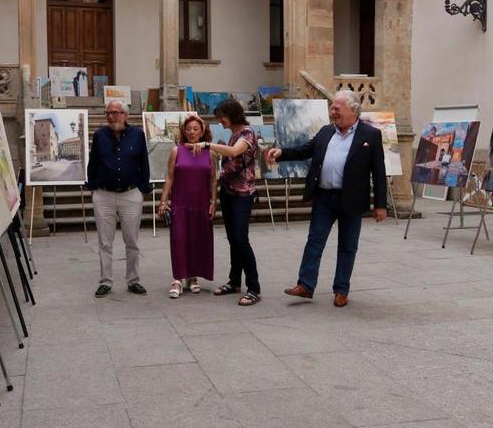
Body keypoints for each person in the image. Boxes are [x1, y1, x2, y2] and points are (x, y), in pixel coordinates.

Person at [266, 90, 387, 308]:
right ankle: (305, 285)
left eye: (337, 108)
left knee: (347, 246)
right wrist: (281, 152)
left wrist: (380, 205)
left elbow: (378, 172)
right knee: (315, 241)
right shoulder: (325, 132)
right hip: (324, 197)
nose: (333, 112)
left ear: (353, 110)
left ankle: (341, 289)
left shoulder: (370, 135)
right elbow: (305, 150)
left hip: (352, 199)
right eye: (332, 108)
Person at [187, 98, 261, 306]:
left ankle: (254, 287)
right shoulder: (233, 135)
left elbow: (235, 152)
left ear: (233, 114)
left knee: (240, 240)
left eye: (222, 116)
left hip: (242, 196)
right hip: (228, 193)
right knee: (233, 240)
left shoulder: (247, 133)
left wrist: (207, 145)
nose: (220, 121)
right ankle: (234, 281)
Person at [86, 100, 152, 298]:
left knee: (132, 240)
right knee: (105, 242)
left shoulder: (137, 135)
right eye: (108, 113)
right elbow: (93, 162)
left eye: (115, 113)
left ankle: (133, 280)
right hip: (104, 195)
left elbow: (144, 163)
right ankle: (105, 281)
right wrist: (94, 188)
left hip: (130, 194)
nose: (111, 117)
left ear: (126, 115)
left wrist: (141, 188)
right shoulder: (100, 136)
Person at [157, 116, 217, 298]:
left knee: (198, 240)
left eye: (195, 129)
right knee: (179, 240)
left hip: (201, 204)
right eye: (188, 129)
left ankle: (192, 277)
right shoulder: (177, 151)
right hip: (180, 204)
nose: (192, 132)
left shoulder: (211, 153)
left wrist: (213, 202)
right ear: (184, 131)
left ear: (202, 131)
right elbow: (169, 177)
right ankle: (178, 279)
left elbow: (213, 180)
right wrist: (162, 201)